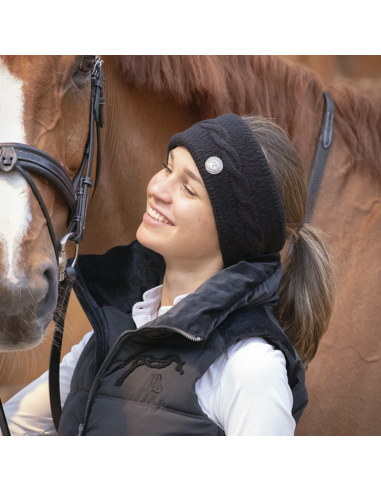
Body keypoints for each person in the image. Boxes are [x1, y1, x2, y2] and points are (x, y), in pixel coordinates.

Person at [3, 113, 335, 436]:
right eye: (168, 167)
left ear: (235, 233)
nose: (158, 190)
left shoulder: (249, 367)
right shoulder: (111, 335)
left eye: (189, 190)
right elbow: (14, 427)